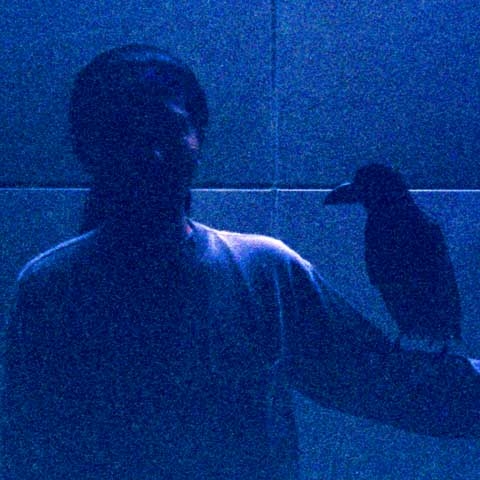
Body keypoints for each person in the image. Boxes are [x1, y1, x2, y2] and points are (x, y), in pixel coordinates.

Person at [2, 44, 479, 480]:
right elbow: (25, 447)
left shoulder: (264, 272)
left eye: (168, 129)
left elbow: (385, 380)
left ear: (199, 137)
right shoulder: (50, 289)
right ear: (88, 148)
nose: (151, 153)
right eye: (125, 133)